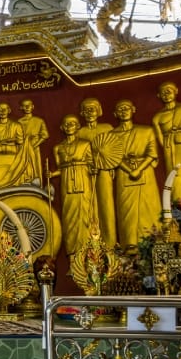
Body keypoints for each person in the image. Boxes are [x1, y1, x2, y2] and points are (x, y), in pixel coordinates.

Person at [111, 99, 161, 250]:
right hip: (124, 173)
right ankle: (129, 243)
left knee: (148, 207)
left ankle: (152, 241)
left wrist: (138, 169)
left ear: (133, 109)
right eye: (120, 109)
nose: (124, 111)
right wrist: (129, 169)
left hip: (145, 171)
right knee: (127, 209)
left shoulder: (146, 131)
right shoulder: (112, 135)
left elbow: (152, 153)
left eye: (126, 108)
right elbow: (113, 157)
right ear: (115, 114)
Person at [52, 114, 96, 258]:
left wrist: (93, 169)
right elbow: (60, 168)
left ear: (78, 127)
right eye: (66, 124)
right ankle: (72, 254)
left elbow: (91, 164)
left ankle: (88, 253)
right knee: (69, 217)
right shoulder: (58, 148)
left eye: (72, 123)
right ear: (62, 128)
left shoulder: (85, 144)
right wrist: (51, 174)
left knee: (85, 214)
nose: (69, 126)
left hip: (83, 182)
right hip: (67, 184)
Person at [78, 98, 116, 248]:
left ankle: (110, 244)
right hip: (87, 172)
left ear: (99, 111)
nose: (89, 112)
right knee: (90, 206)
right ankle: (92, 245)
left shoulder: (107, 128)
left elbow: (115, 149)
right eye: (86, 109)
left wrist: (111, 166)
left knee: (106, 205)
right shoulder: (80, 132)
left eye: (92, 109)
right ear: (82, 113)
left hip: (105, 169)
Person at [17, 98, 49, 184]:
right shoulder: (18, 122)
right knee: (23, 166)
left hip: (35, 146)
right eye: (25, 106)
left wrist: (34, 145)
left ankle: (37, 185)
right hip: (22, 148)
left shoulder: (39, 121)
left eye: (29, 105)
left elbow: (45, 135)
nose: (27, 107)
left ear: (33, 106)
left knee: (35, 166)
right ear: (21, 107)